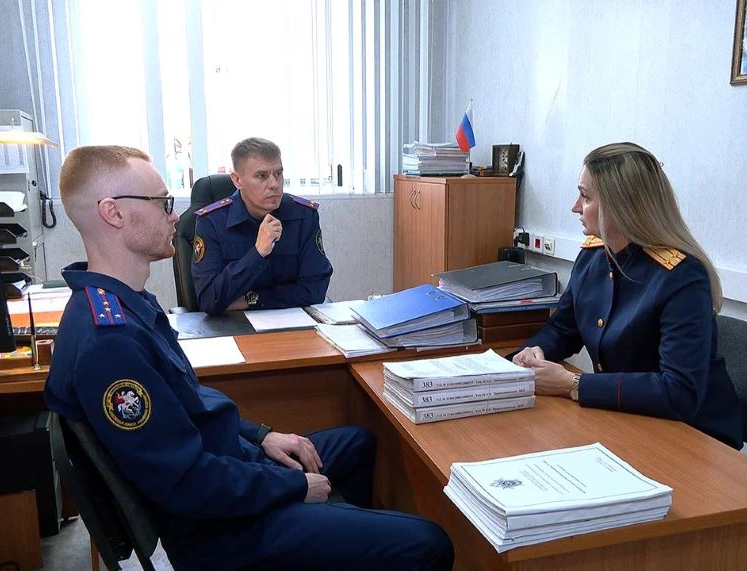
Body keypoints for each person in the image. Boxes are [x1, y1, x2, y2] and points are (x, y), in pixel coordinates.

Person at [45, 145, 453, 570]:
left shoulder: (127, 303)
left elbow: (191, 403)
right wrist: (292, 487)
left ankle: (341, 540)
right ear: (113, 213)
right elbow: (187, 482)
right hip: (221, 528)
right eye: (162, 202)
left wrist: (261, 436)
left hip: (231, 466)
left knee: (358, 443)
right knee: (428, 542)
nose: (174, 216)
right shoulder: (108, 342)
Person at [511, 142, 744, 448]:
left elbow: (679, 392)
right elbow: (563, 329)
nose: (575, 207)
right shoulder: (593, 256)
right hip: (627, 419)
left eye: (586, 196)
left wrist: (573, 383)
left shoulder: (681, 277)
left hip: (690, 435)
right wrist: (534, 352)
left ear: (620, 206)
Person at [191, 137, 332, 314]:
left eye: (278, 174)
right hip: (233, 325)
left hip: (292, 323)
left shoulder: (304, 216)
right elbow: (209, 300)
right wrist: (257, 253)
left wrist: (252, 300)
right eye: (262, 176)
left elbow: (315, 290)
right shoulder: (212, 222)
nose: (274, 184)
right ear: (237, 180)